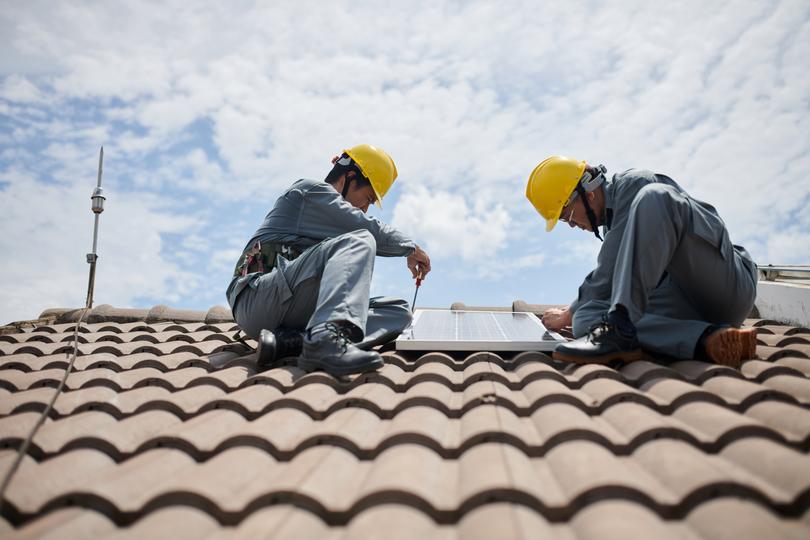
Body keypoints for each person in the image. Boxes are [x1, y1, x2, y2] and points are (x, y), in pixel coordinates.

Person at [525, 156, 758, 368]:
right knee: (587, 317)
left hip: (726, 287)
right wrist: (576, 312)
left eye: (568, 218)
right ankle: (706, 338)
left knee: (655, 196)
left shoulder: (635, 184)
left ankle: (621, 329)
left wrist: (566, 313)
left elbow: (607, 272)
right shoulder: (612, 224)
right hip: (686, 303)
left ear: (588, 195)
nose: (574, 226)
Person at [227, 144, 431, 376]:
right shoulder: (307, 193)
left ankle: (295, 343)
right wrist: (411, 248)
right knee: (360, 239)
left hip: (289, 307)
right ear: (349, 177)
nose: (364, 208)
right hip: (256, 299)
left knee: (398, 311)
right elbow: (366, 227)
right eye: (367, 198)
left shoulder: (329, 219)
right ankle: (326, 338)